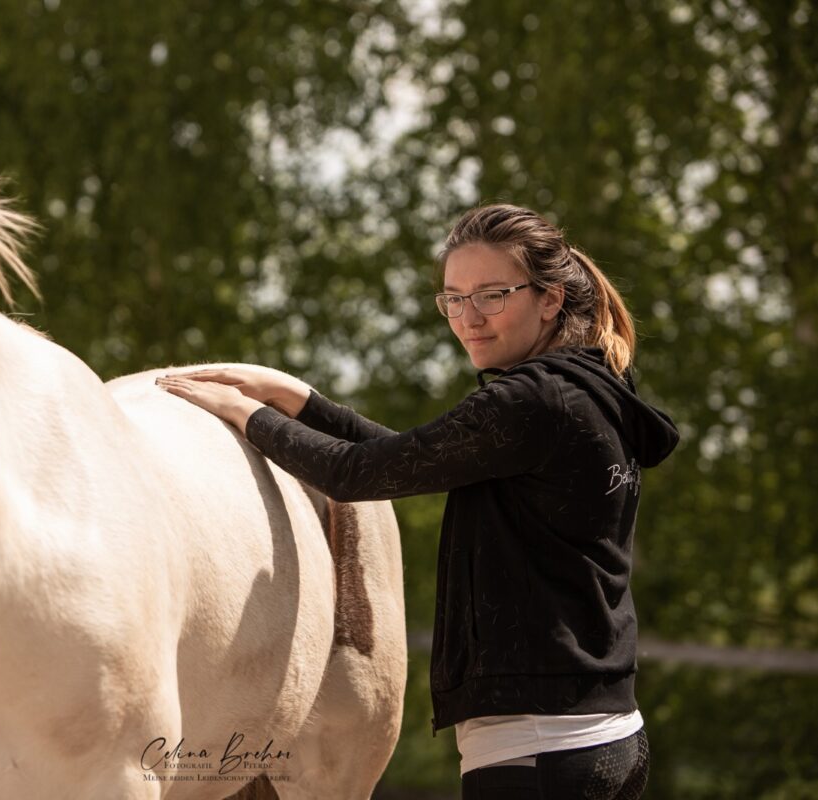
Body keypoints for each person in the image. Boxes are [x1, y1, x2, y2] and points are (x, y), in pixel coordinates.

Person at [155, 203, 679, 799]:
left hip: (537, 750)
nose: (468, 318)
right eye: (453, 298)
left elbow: (354, 476)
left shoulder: (533, 401)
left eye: (492, 295)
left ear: (550, 298)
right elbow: (414, 457)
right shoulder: (588, 394)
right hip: (606, 734)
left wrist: (247, 415)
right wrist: (300, 400)